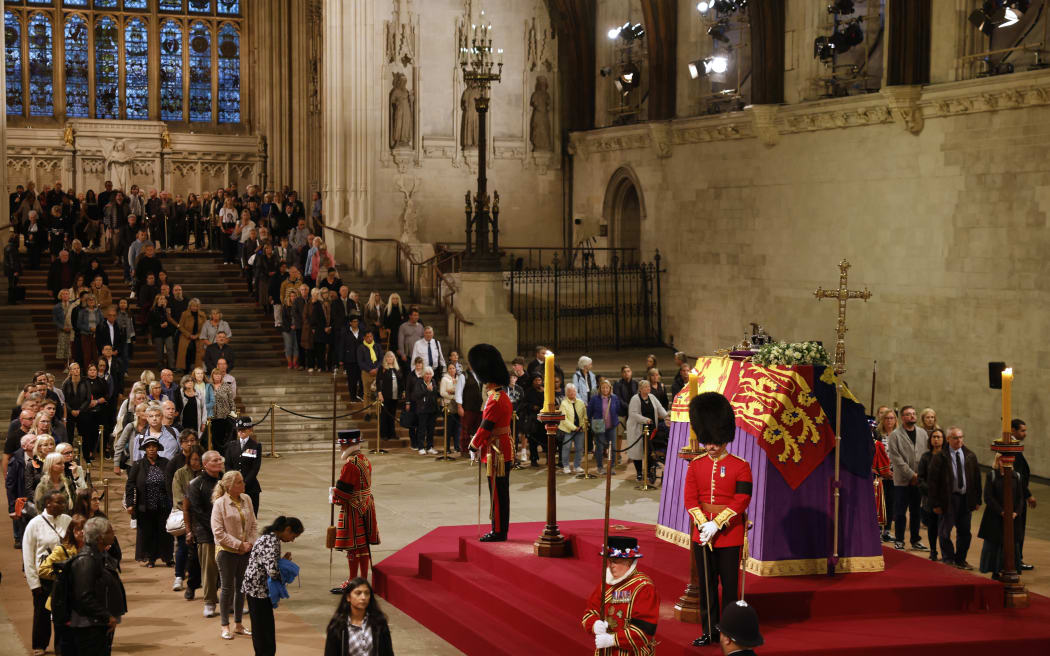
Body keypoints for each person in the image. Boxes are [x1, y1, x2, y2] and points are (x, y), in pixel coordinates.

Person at [683, 392, 753, 647]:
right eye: (707, 441)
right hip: (701, 533)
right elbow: (690, 500)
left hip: (729, 533)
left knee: (730, 589)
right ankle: (710, 631)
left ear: (724, 437)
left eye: (714, 441)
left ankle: (730, 631)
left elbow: (742, 500)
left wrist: (717, 523)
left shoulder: (741, 466)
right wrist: (703, 524)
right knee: (707, 587)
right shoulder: (696, 465)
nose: (710, 446)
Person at [467, 344, 514, 542]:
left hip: (497, 452)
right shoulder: (501, 396)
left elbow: (486, 427)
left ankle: (499, 531)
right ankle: (499, 528)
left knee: (497, 492)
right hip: (501, 447)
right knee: (500, 492)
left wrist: (473, 445)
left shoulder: (495, 399)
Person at [581, 535, 659, 655]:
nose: (611, 566)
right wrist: (594, 624)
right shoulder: (605, 583)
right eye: (610, 561)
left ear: (628, 562)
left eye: (616, 562)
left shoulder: (644, 588)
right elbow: (589, 613)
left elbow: (644, 631)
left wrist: (613, 640)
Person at [244, 516, 304, 656]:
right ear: (287, 529)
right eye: (293, 536)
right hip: (258, 590)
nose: (292, 540)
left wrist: (282, 561)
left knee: (263, 628)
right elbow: (272, 571)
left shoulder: (269, 538)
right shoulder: (271, 542)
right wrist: (285, 566)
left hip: (256, 588)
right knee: (263, 630)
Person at [68, 516, 127, 655]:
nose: (113, 534)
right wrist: (107, 616)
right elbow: (84, 596)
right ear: (100, 538)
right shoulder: (86, 560)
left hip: (98, 624)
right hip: (89, 625)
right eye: (110, 531)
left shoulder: (99, 555)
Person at [23, 491, 72, 656]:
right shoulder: (34, 524)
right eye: (59, 502)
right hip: (44, 577)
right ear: (47, 504)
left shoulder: (67, 520)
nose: (63, 505)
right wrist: (33, 583)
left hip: (64, 576)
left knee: (63, 614)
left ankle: (62, 647)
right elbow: (28, 556)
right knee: (42, 613)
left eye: (63, 502)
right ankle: (39, 645)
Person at [330, 430, 381, 591]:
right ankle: (363, 579)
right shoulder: (364, 460)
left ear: (347, 444)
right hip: (366, 505)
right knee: (363, 545)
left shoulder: (350, 465)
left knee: (352, 545)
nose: (340, 448)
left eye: (341, 445)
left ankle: (353, 579)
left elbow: (343, 493)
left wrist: (333, 494)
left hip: (353, 508)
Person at [211, 470, 257, 640]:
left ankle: (238, 624)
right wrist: (238, 545)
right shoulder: (219, 504)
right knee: (227, 588)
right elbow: (218, 533)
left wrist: (249, 544)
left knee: (241, 588)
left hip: (245, 551)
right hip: (226, 552)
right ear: (230, 486)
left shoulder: (247, 499)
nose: (243, 484)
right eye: (239, 482)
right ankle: (225, 625)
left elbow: (253, 524)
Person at [928, 426, 982, 570]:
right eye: (955, 438)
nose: (959, 440)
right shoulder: (940, 456)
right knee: (945, 532)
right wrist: (935, 503)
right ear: (948, 439)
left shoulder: (970, 455)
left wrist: (977, 500)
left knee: (965, 532)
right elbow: (932, 482)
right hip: (948, 499)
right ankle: (948, 558)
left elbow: (976, 479)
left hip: (965, 499)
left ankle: (960, 560)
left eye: (961, 437)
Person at [38, 513, 86, 656]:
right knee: (63, 643)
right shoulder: (62, 550)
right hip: (62, 603)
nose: (82, 532)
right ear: (72, 531)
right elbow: (43, 570)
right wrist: (63, 576)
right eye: (78, 529)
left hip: (81, 603)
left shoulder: (89, 549)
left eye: (84, 529)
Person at [978, 454, 1030, 580]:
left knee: (1012, 544)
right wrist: (1002, 512)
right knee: (994, 544)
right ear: (998, 461)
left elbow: (1020, 498)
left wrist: (1015, 513)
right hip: (995, 518)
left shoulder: (1016, 476)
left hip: (1012, 518)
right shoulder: (992, 475)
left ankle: (1010, 569)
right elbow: (988, 497)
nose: (1004, 462)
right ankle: (995, 570)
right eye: (1002, 460)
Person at [124, 436, 173, 567]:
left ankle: (168, 557)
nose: (151, 449)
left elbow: (172, 482)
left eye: (154, 446)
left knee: (165, 532)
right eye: (148, 447)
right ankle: (151, 559)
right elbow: (130, 485)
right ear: (145, 449)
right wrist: (130, 503)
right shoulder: (138, 464)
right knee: (148, 532)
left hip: (163, 504)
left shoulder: (166, 463)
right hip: (145, 505)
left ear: (158, 448)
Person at [186, 450, 224, 617]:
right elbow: (197, 511)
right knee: (209, 569)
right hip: (206, 533)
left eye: (220, 459)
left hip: (228, 532)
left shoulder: (226, 480)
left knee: (228, 570)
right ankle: (209, 602)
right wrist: (216, 528)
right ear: (206, 464)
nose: (219, 462)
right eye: (215, 460)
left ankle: (229, 602)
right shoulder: (196, 484)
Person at [887, 405, 929, 551]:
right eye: (908, 414)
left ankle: (915, 539)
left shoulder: (923, 433)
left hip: (918, 480)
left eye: (913, 413)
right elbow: (896, 459)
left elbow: (926, 455)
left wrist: (920, 475)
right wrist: (912, 475)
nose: (912, 416)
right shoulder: (895, 435)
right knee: (900, 512)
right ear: (902, 418)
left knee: (916, 511)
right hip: (902, 481)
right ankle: (899, 540)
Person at [324, 577, 395, 656]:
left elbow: (388, 652)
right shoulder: (338, 625)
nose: (363, 597)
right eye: (358, 593)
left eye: (367, 593)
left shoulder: (379, 622)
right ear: (348, 597)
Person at [171, 447, 202, 596]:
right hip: (187, 516)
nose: (197, 462)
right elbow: (178, 497)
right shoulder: (180, 473)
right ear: (189, 460)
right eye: (194, 459)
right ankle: (181, 577)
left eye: (200, 459)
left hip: (205, 520)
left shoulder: (210, 475)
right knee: (185, 548)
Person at [626, 381, 669, 484]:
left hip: (651, 429)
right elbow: (633, 414)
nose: (648, 388)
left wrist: (667, 416)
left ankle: (649, 471)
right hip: (638, 429)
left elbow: (660, 408)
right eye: (645, 387)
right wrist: (645, 420)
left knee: (650, 451)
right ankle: (639, 472)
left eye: (649, 386)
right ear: (640, 389)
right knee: (638, 451)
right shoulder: (635, 399)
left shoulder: (652, 397)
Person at [1010, 419, 1037, 570]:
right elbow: (1018, 476)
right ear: (1013, 430)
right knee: (1018, 530)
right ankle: (1016, 560)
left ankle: (1016, 558)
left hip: (1018, 494)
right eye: (1022, 431)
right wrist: (1028, 495)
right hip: (1017, 496)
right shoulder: (1012, 448)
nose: (1025, 434)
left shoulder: (1015, 447)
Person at [916, 428, 945, 561]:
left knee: (944, 527)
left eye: (939, 437)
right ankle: (933, 550)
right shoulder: (926, 457)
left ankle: (946, 552)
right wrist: (931, 492)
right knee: (932, 526)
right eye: (934, 437)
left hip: (945, 498)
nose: (936, 439)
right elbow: (920, 478)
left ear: (944, 439)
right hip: (930, 497)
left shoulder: (947, 457)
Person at [224, 416, 263, 515]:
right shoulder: (231, 445)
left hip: (250, 486)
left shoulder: (255, 446)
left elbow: (255, 468)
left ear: (250, 430)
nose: (241, 432)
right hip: (233, 486)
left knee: (251, 515)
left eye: (243, 430)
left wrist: (244, 483)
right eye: (239, 430)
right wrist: (233, 482)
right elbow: (228, 465)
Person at [587, 379, 621, 476]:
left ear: (610, 388)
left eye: (607, 387)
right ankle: (600, 467)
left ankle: (612, 467)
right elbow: (589, 412)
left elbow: (618, 409)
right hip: (599, 426)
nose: (605, 389)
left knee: (613, 447)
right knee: (600, 447)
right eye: (603, 387)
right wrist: (591, 423)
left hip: (612, 426)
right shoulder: (594, 399)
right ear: (600, 388)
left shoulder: (614, 398)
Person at [559, 383, 588, 474]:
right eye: (570, 391)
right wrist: (574, 428)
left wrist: (582, 426)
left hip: (580, 429)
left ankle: (577, 466)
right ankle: (566, 466)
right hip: (568, 429)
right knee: (566, 447)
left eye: (574, 391)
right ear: (567, 393)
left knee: (579, 448)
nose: (572, 393)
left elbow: (585, 416)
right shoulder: (563, 403)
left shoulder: (581, 402)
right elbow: (564, 419)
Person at [205, 368, 235, 452]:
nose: (217, 376)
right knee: (214, 438)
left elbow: (231, 401)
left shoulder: (226, 386)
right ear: (212, 376)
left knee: (224, 438)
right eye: (215, 374)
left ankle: (224, 455)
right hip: (212, 416)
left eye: (219, 374)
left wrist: (233, 413)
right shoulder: (208, 386)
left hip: (224, 416)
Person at [412, 367, 439, 455]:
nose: (428, 376)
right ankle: (421, 447)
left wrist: (432, 390)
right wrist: (427, 390)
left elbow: (435, 393)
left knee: (431, 429)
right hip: (422, 409)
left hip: (432, 409)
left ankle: (430, 447)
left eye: (429, 374)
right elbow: (417, 395)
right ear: (423, 375)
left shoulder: (433, 381)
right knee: (422, 429)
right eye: (426, 374)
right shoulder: (419, 382)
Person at [177, 298, 207, 373]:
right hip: (186, 337)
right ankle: (186, 371)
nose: (194, 308)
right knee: (187, 353)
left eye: (196, 306)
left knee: (196, 355)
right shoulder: (184, 314)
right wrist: (189, 335)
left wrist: (197, 335)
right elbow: (180, 326)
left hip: (198, 338)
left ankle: (196, 372)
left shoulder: (202, 315)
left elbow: (205, 327)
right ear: (190, 306)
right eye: (193, 306)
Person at [357, 330, 383, 407]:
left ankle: (377, 413)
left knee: (377, 393)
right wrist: (369, 370)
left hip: (377, 372)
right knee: (367, 393)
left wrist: (377, 368)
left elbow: (381, 359)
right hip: (366, 373)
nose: (369, 338)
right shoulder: (361, 348)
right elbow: (360, 362)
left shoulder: (377, 346)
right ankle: (367, 412)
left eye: (371, 336)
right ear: (364, 338)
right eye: (367, 337)